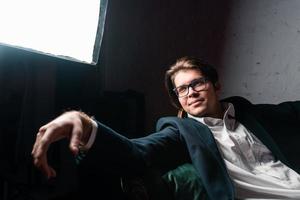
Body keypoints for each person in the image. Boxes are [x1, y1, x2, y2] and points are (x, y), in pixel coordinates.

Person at [32, 56, 300, 199]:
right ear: (178, 100)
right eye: (182, 89)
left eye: (198, 83)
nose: (191, 92)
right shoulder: (181, 131)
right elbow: (136, 153)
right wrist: (85, 123)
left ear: (216, 85)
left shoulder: (253, 114)